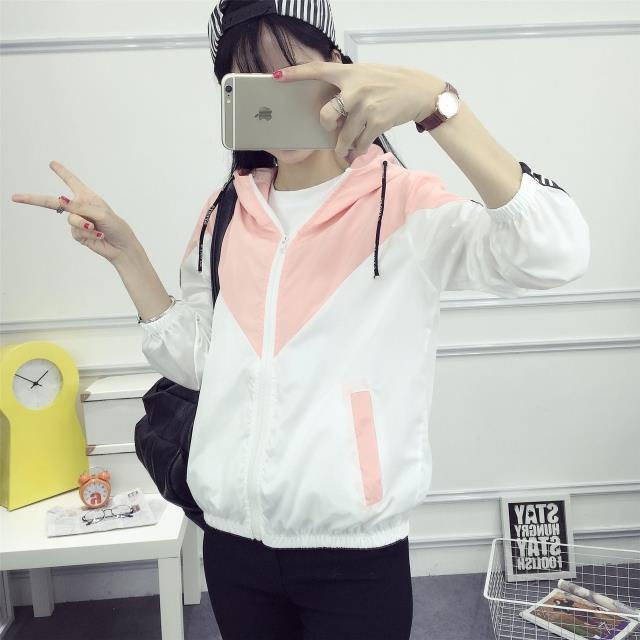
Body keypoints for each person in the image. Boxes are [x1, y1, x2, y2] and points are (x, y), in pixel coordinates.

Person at [10, 1, 591, 638]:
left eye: (290, 72)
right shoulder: (227, 212)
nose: (274, 97)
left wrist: (437, 104)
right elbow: (202, 364)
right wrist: (128, 254)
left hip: (354, 550)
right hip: (233, 544)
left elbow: (555, 252)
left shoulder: (405, 205)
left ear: (339, 68)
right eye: (250, 82)